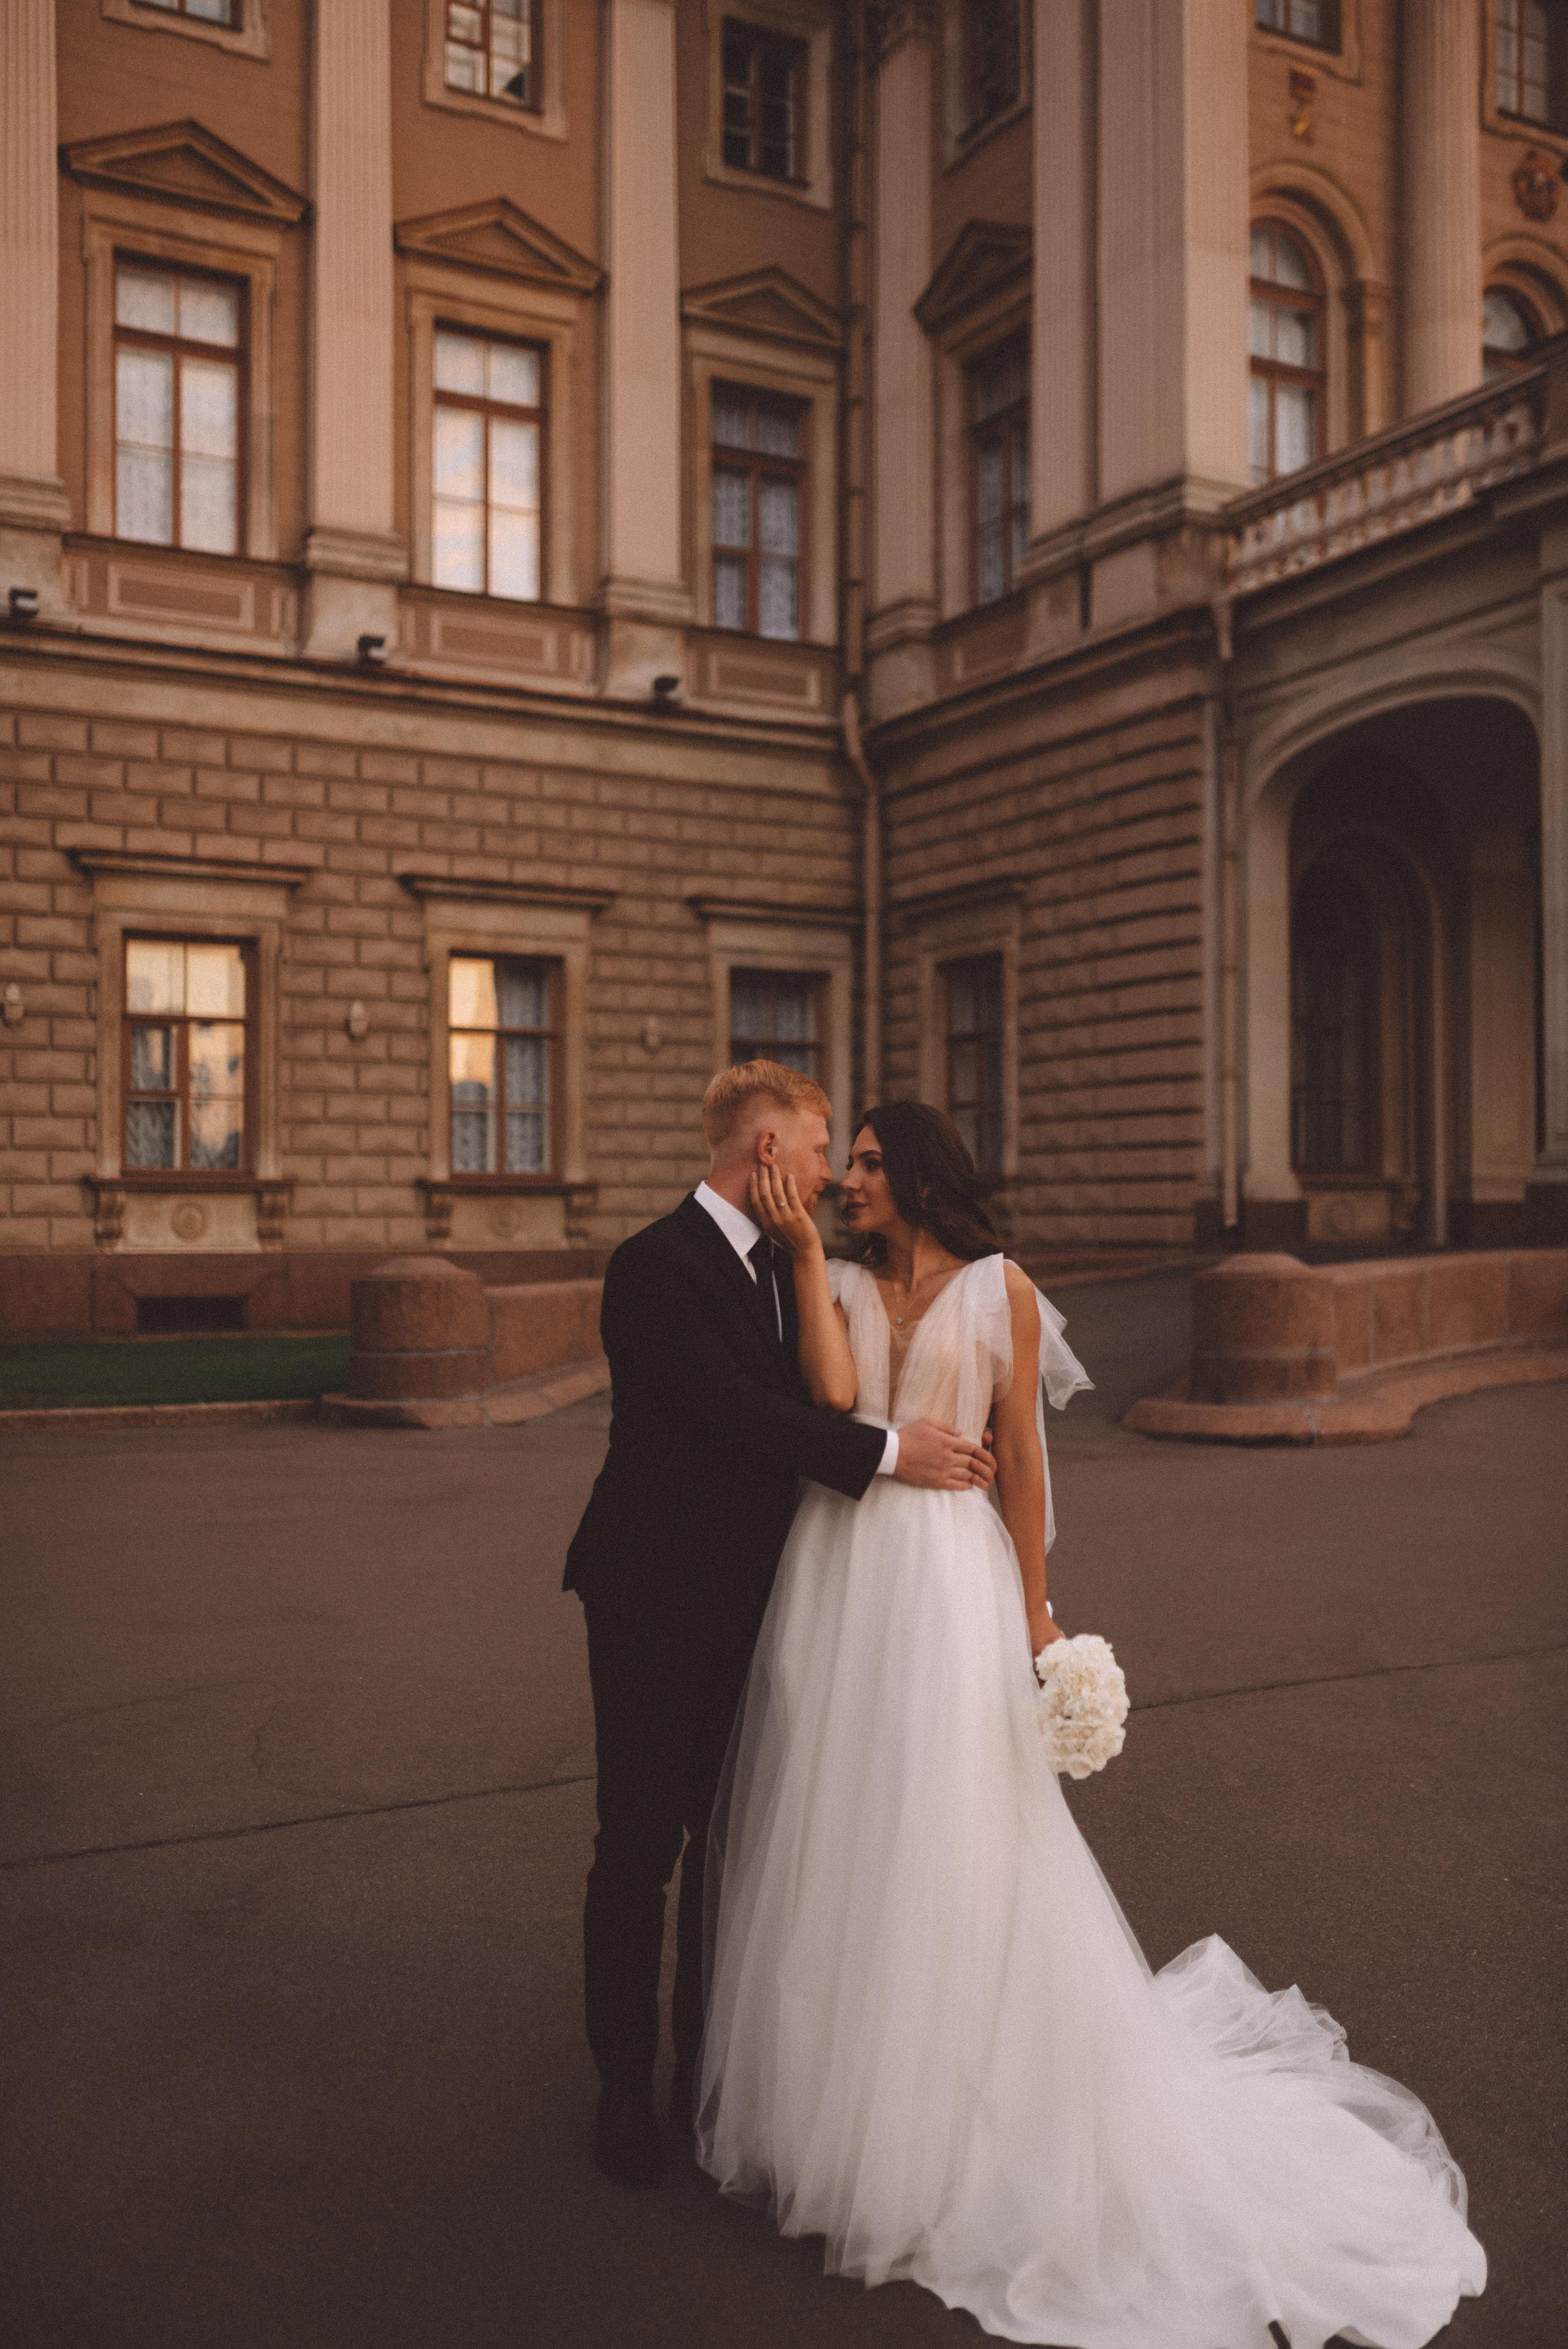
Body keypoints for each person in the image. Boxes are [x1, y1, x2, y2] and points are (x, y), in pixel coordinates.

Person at [696, 1100, 1487, 2349]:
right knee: (842, 1823)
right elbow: (836, 1405)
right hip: (840, 1577)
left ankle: (957, 2109)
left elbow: (1019, 1464)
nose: (844, 1179)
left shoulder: (999, 1288)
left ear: (915, 1174)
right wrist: (803, 1261)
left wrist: (1033, 1621)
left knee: (955, 1827)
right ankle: (843, 2114)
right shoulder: (835, 1280)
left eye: (862, 1161)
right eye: (839, 1161)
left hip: (950, 1585)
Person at [562, 1063, 997, 2189]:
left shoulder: (803, 1266)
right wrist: (893, 1453)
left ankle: (708, 2072)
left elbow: (819, 1384)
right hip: (656, 1598)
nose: (829, 1175)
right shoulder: (652, 1266)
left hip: (766, 1602)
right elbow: (735, 1413)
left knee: (733, 1843)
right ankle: (624, 2090)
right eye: (817, 1150)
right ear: (765, 1154)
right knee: (640, 1842)